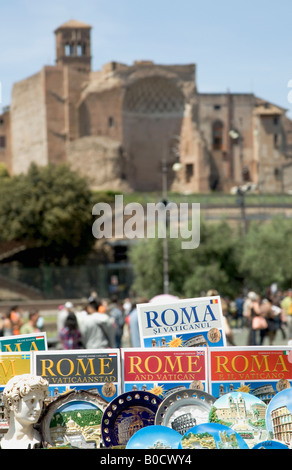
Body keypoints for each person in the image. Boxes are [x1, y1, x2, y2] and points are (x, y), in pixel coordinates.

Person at [2, 374, 49, 449]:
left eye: (40, 401)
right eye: (31, 401)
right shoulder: (3, 443)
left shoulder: (47, 441)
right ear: (11, 404)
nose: (38, 408)